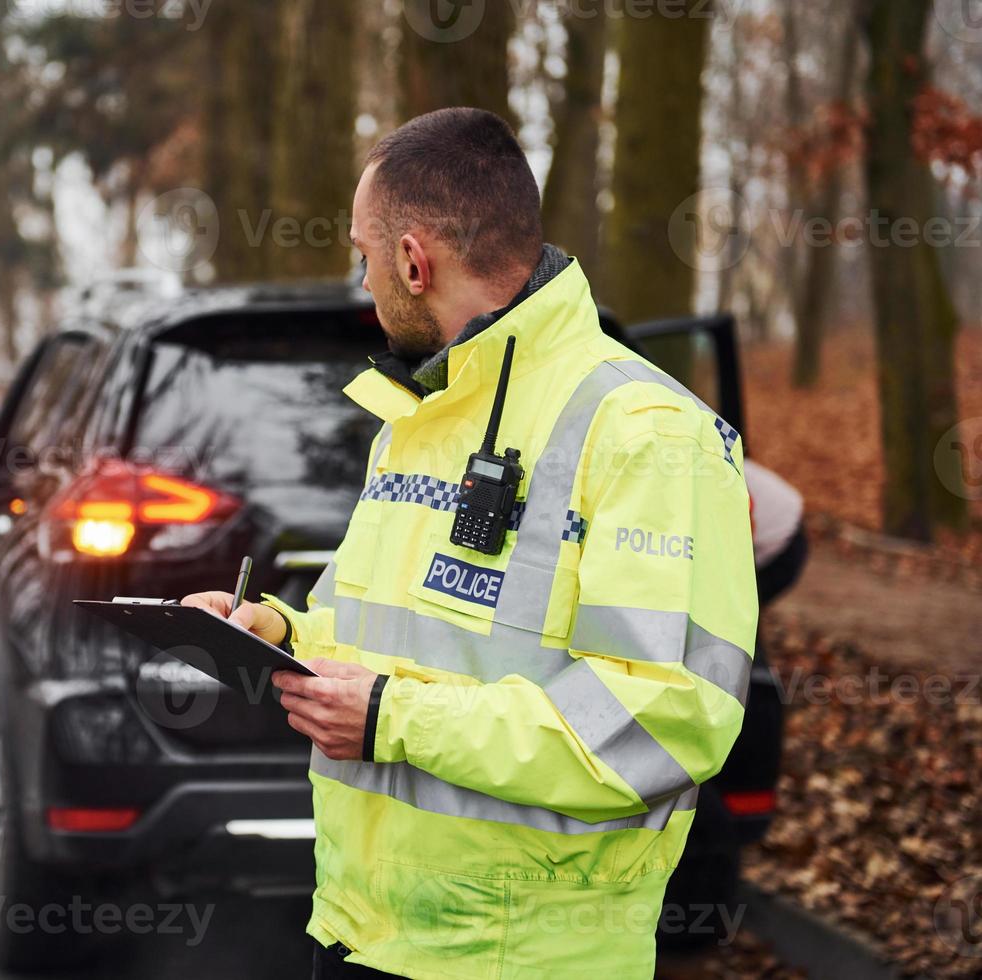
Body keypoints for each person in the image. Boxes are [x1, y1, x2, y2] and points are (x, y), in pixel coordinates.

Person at [183, 108, 757, 979]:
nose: (363, 280)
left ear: (414, 261)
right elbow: (390, 642)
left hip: (527, 959)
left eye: (363, 255)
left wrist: (390, 718)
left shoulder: (651, 434)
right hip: (358, 933)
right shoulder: (416, 420)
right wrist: (282, 635)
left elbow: (661, 722)